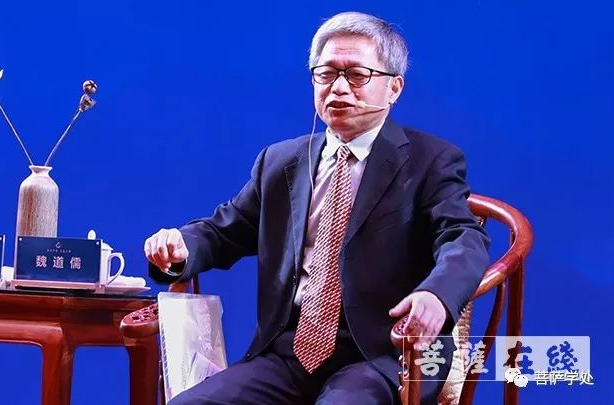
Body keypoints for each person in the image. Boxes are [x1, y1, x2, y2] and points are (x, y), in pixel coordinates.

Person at [145, 11, 490, 405]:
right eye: (326, 74)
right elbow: (226, 230)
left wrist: (437, 296)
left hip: (388, 354)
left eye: (357, 75)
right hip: (288, 355)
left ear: (394, 88)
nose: (338, 88)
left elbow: (464, 237)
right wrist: (182, 247)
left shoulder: (430, 160)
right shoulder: (280, 162)